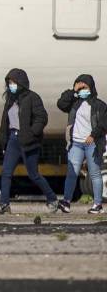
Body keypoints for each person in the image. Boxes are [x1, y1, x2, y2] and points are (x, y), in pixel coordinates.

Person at [0, 68, 59, 214]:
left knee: (33, 174)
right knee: (6, 172)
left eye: (13, 82)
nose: (11, 85)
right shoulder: (10, 99)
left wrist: (32, 133)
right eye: (9, 83)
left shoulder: (32, 97)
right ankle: (4, 203)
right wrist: (4, 140)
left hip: (29, 141)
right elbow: (5, 122)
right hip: (13, 139)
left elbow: (42, 118)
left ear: (21, 83)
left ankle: (52, 199)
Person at [57, 75, 105, 214]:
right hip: (76, 143)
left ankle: (97, 204)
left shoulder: (99, 105)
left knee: (94, 174)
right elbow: (61, 104)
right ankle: (66, 202)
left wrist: (93, 135)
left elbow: (103, 123)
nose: (82, 89)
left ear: (91, 87)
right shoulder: (74, 103)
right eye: (80, 86)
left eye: (85, 86)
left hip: (92, 144)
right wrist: (73, 91)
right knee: (72, 173)